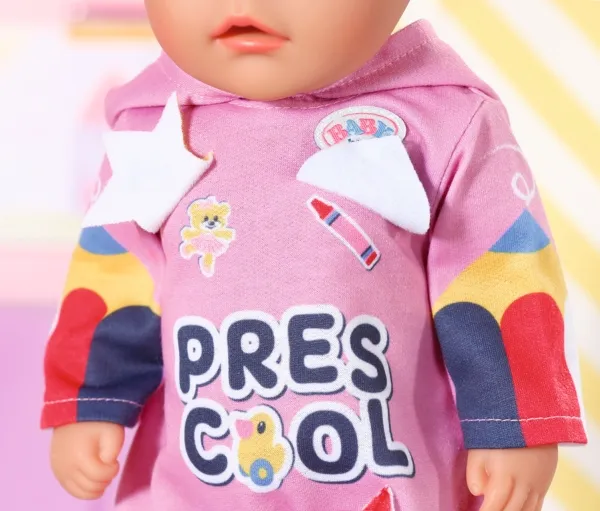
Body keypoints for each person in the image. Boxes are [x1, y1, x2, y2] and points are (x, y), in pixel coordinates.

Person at [42, 1, 587, 510]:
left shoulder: (443, 123)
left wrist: (514, 419)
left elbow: (499, 274)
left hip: (392, 481)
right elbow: (114, 278)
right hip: (198, 483)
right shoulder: (150, 131)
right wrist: (90, 399)